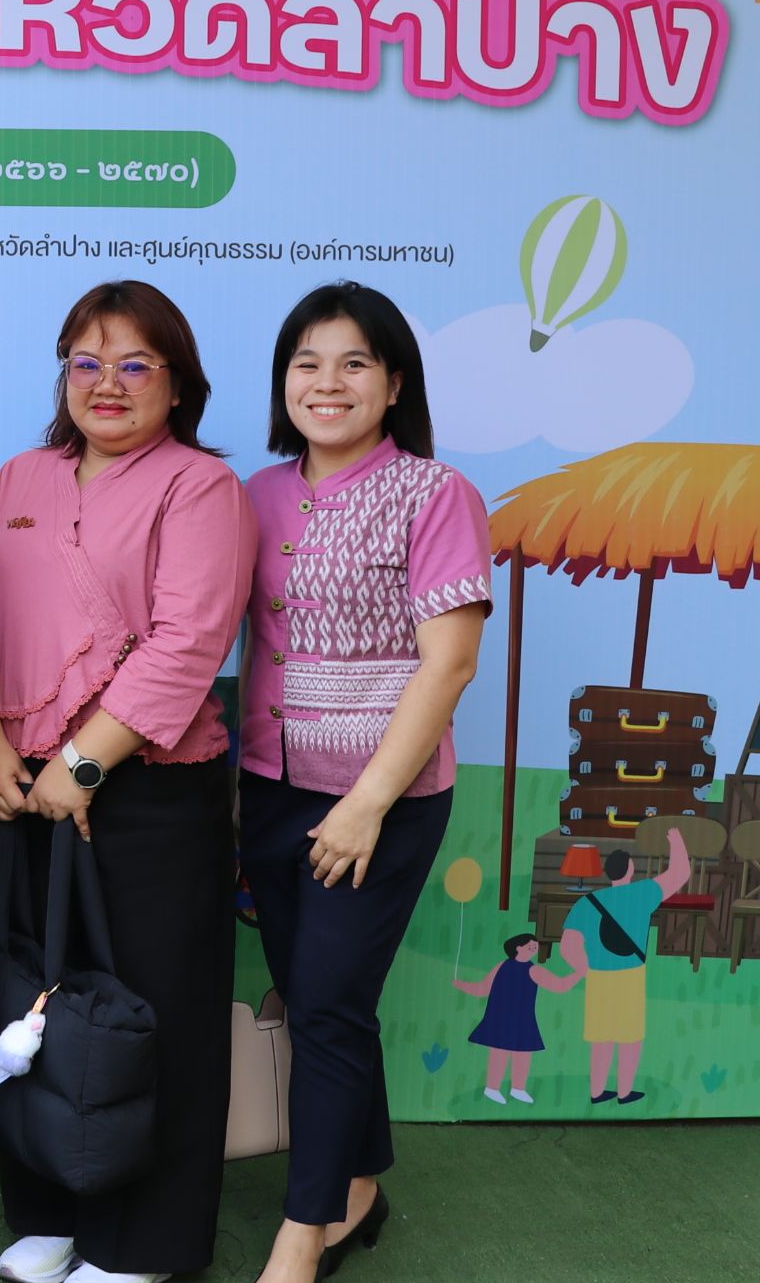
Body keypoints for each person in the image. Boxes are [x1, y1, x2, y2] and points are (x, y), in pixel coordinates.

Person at [0, 280, 256, 1283]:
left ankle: (146, 1244)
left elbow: (188, 641)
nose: (108, 383)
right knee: (38, 998)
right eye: (86, 362)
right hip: (22, 788)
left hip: (149, 793)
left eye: (136, 364)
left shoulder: (201, 488)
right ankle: (50, 1205)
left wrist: (82, 763)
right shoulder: (18, 479)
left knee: (154, 1011)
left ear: (178, 383)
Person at [236, 281, 492, 1283]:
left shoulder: (436, 493)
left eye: (354, 363)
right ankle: (358, 1183)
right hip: (267, 787)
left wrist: (366, 803)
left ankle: (302, 1235)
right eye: (307, 362)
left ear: (394, 384)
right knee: (315, 999)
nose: (327, 382)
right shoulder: (255, 495)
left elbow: (450, 664)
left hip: (384, 799)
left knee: (331, 1002)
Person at [562, 827, 692, 1107]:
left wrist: (585, 969)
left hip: (598, 977)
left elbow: (568, 947)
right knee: (630, 1038)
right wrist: (676, 840)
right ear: (630, 869)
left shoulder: (587, 902)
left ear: (607, 872)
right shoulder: (642, 893)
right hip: (630, 976)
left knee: (601, 1039)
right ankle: (624, 1092)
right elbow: (680, 873)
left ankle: (598, 1092)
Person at [453, 934, 579, 1105]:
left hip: (522, 1019)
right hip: (501, 1016)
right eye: (530, 946)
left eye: (535, 946)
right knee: (499, 1052)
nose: (534, 949)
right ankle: (492, 1088)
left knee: (523, 1054)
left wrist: (577, 975)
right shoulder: (502, 966)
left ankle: (518, 1088)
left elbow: (559, 985)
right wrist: (462, 985)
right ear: (518, 948)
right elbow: (483, 988)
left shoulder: (534, 970)